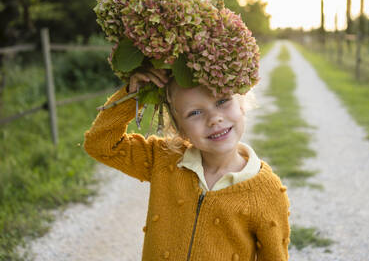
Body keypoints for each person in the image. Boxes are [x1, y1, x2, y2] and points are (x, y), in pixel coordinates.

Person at [83, 67, 291, 260]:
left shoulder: (266, 191)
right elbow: (100, 144)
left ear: (242, 104)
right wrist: (133, 94)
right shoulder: (164, 158)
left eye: (222, 101)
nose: (214, 119)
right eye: (195, 113)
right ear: (179, 128)